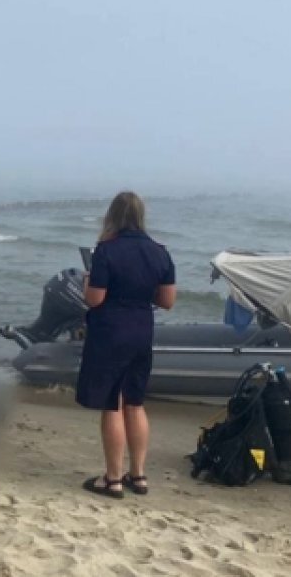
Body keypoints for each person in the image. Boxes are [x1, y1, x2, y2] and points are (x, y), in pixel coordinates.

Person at [76, 191, 176, 499]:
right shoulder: (160, 252)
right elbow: (167, 301)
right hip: (141, 330)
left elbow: (95, 299)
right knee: (135, 401)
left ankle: (113, 479)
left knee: (112, 404)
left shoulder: (106, 251)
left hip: (110, 332)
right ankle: (139, 475)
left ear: (113, 216)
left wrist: (86, 282)